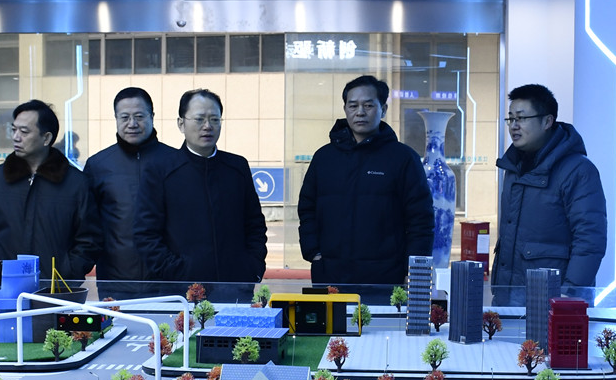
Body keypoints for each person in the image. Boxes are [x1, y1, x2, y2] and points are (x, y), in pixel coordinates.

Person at [297, 74, 433, 295]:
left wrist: (415, 271)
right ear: (345, 109)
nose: (360, 112)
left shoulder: (403, 158)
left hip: (385, 276)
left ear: (383, 109)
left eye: (368, 105)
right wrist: (313, 252)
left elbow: (421, 220)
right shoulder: (324, 158)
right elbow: (307, 208)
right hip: (330, 273)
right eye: (353, 105)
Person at [134, 89, 266, 293]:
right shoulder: (160, 170)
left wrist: (252, 269)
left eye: (214, 119)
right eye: (199, 119)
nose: (207, 126)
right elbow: (146, 234)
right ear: (181, 123)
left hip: (235, 287)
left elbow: (255, 225)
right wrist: (177, 273)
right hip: (182, 291)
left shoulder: (237, 168)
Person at [491, 84, 607, 303]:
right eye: (511, 119)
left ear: (547, 121)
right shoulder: (513, 167)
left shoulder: (578, 170)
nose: (514, 126)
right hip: (510, 298)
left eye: (521, 118)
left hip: (555, 299)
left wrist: (569, 294)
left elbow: (590, 238)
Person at [0, 100, 96, 285]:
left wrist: (68, 271)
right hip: (2, 288)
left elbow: (89, 240)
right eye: (14, 130)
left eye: (24, 132)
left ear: (46, 138)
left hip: (55, 290)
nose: (16, 137)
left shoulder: (75, 183)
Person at [84, 87, 169, 289]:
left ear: (152, 116)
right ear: (116, 118)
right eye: (124, 117)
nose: (132, 124)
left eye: (139, 116)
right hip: (115, 280)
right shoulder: (98, 165)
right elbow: (87, 225)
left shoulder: (174, 161)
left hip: (168, 281)